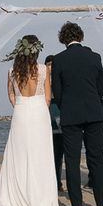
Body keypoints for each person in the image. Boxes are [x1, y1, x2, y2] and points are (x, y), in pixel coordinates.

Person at [0, 36, 65, 206]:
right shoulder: (43, 69)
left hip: (21, 111)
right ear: (36, 51)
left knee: (19, 154)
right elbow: (49, 98)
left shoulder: (12, 71)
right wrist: (39, 106)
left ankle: (18, 198)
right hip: (40, 112)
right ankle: (40, 198)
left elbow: (10, 94)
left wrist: (19, 105)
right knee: (40, 154)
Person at [51, 22, 103, 206]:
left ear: (63, 39)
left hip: (70, 114)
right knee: (96, 159)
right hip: (94, 113)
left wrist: (65, 105)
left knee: (72, 160)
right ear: (81, 36)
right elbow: (100, 86)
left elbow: (57, 91)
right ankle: (101, 205)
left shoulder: (59, 60)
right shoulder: (95, 57)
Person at [45, 55, 65, 193]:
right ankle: (50, 182)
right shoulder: (42, 79)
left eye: (52, 64)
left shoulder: (60, 78)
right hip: (46, 116)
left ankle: (57, 182)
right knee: (48, 154)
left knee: (59, 154)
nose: (50, 67)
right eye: (48, 64)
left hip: (59, 116)